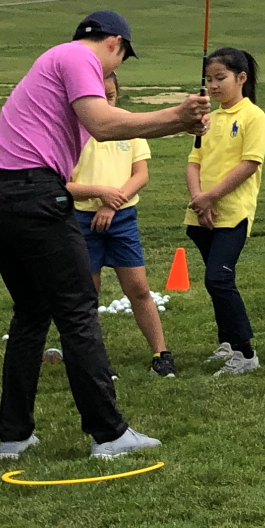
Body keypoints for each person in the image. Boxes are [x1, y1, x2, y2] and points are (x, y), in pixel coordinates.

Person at [0, 10, 206, 461]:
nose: (113, 71)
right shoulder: (79, 58)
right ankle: (109, 433)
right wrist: (178, 114)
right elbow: (104, 124)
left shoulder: (54, 66)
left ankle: (14, 436)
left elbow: (113, 126)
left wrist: (178, 123)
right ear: (115, 43)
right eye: (122, 59)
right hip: (34, 195)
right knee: (79, 310)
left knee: (32, 313)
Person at [65, 69, 176, 379]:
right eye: (98, 98)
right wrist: (100, 194)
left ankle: (161, 353)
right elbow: (63, 184)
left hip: (122, 217)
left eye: (111, 96)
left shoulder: (129, 124)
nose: (106, 103)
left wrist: (111, 203)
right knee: (88, 293)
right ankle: (94, 361)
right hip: (82, 219)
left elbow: (140, 174)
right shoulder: (70, 130)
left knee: (138, 288)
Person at [185, 47, 265, 377]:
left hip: (232, 213)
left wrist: (211, 197)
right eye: (209, 79)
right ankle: (228, 344)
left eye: (220, 78)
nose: (213, 85)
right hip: (202, 213)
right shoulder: (208, 119)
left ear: (241, 78)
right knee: (216, 281)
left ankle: (246, 353)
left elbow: (249, 164)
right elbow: (194, 163)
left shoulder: (253, 117)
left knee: (218, 278)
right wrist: (199, 199)